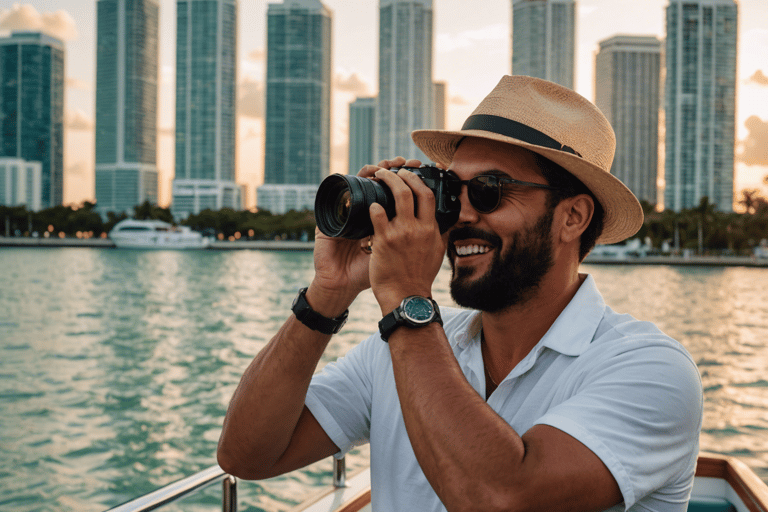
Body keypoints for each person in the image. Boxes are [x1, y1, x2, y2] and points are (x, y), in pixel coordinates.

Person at [217, 75, 703, 512]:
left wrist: (407, 297)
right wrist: (329, 292)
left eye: (489, 189)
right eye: (451, 189)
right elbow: (247, 454)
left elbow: (499, 497)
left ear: (572, 217)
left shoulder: (651, 368)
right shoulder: (404, 346)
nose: (461, 214)